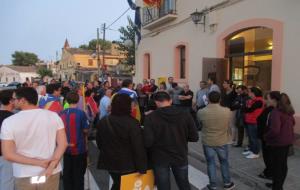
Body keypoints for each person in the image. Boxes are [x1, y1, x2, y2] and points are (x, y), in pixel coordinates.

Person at [0, 87, 68, 190]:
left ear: (23, 100)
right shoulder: (53, 116)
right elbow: (63, 144)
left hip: (24, 173)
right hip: (50, 172)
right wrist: (51, 165)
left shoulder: (9, 122)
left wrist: (39, 163)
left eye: (14, 99)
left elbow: (8, 154)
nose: (13, 102)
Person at [143, 91, 199, 190]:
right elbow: (194, 137)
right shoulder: (185, 114)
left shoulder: (150, 117)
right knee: (184, 184)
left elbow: (148, 142)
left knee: (163, 186)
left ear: (156, 102)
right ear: (171, 101)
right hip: (180, 154)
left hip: (160, 158)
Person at [96, 93, 147, 190]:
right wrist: (142, 167)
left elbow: (99, 142)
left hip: (109, 161)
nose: (133, 106)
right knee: (124, 185)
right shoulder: (132, 123)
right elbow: (138, 147)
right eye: (131, 104)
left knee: (117, 183)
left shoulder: (104, 121)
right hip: (128, 162)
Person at [198, 91, 235, 190]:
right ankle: (227, 183)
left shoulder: (201, 112)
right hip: (222, 141)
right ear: (220, 100)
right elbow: (229, 125)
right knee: (224, 162)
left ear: (208, 99)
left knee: (210, 163)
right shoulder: (227, 111)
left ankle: (213, 185)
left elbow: (200, 125)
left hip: (208, 141)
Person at [264, 93, 295, 190]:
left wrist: (266, 136)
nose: (267, 100)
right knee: (282, 165)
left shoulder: (276, 112)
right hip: (287, 142)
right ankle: (277, 184)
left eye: (268, 98)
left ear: (276, 101)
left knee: (278, 167)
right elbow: (293, 123)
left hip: (278, 143)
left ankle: (277, 187)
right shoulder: (288, 111)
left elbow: (275, 130)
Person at [59, 92, 89, 190]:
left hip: (66, 148)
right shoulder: (81, 113)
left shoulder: (61, 113)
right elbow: (85, 130)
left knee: (67, 173)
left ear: (67, 101)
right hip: (79, 148)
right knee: (79, 175)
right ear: (78, 100)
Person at [257, 91, 280, 181]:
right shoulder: (270, 109)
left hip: (268, 138)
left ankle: (270, 173)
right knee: (269, 157)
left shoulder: (273, 111)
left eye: (267, 98)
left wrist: (266, 137)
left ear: (273, 100)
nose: (265, 100)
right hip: (267, 137)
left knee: (269, 157)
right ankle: (270, 171)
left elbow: (272, 128)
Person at [243, 87, 264, 159]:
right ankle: (252, 150)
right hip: (249, 120)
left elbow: (249, 109)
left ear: (254, 93)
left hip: (254, 121)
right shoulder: (252, 100)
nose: (249, 93)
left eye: (250, 92)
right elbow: (246, 108)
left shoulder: (259, 101)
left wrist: (245, 108)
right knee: (250, 137)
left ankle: (256, 152)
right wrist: (246, 108)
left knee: (254, 138)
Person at [0, 90, 15, 190]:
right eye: (15, 98)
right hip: (7, 155)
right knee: (7, 183)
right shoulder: (13, 118)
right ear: (11, 101)